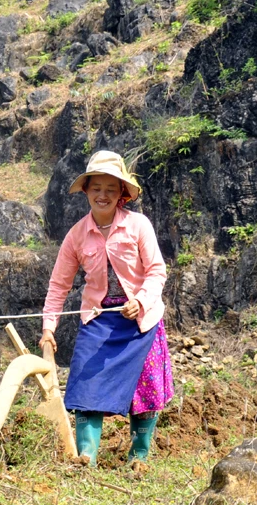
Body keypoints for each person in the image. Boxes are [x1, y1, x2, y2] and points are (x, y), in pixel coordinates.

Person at [39, 150, 172, 467]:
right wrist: (48, 329)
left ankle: (138, 457)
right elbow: (59, 285)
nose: (103, 195)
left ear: (122, 194)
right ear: (86, 191)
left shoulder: (138, 226)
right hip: (98, 321)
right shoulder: (76, 236)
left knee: (146, 391)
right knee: (86, 388)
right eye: (96, 188)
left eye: (111, 189)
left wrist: (140, 300)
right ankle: (87, 457)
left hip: (141, 321)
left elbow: (156, 272)